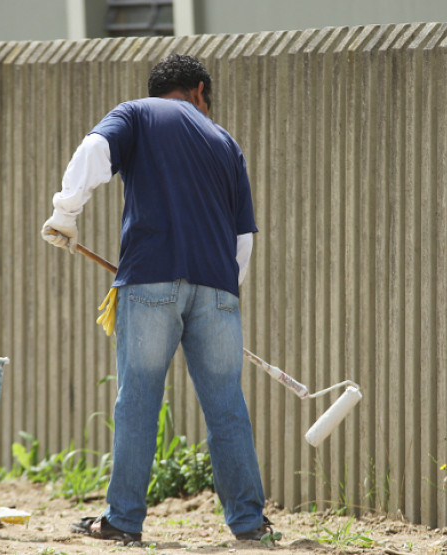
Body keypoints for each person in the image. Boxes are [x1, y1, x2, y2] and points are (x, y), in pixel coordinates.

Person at [41, 53, 273, 544]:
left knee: (139, 401)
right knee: (227, 405)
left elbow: (95, 148)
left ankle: (123, 521)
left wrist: (66, 213)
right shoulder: (226, 142)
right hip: (218, 290)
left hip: (150, 281)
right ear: (200, 91)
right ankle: (250, 525)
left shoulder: (138, 113)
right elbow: (243, 240)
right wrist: (223, 296)